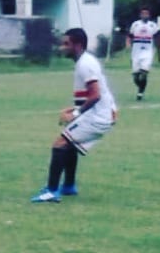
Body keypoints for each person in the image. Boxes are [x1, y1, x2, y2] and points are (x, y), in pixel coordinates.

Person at [31, 28, 117, 203]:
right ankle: (69, 186)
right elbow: (98, 92)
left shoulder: (86, 64)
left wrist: (76, 113)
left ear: (78, 45)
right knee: (70, 144)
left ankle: (51, 191)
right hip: (99, 113)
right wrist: (75, 109)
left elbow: (95, 95)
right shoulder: (84, 61)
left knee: (60, 143)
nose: (62, 47)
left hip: (97, 117)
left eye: (66, 44)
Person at [127, 7, 159, 101]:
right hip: (136, 53)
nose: (145, 15)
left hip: (147, 52)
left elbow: (157, 37)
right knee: (136, 77)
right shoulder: (135, 24)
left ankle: (140, 92)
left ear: (149, 15)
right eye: (143, 14)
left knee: (144, 73)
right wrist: (128, 44)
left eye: (147, 14)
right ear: (140, 15)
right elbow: (130, 36)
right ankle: (141, 88)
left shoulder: (153, 25)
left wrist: (158, 50)